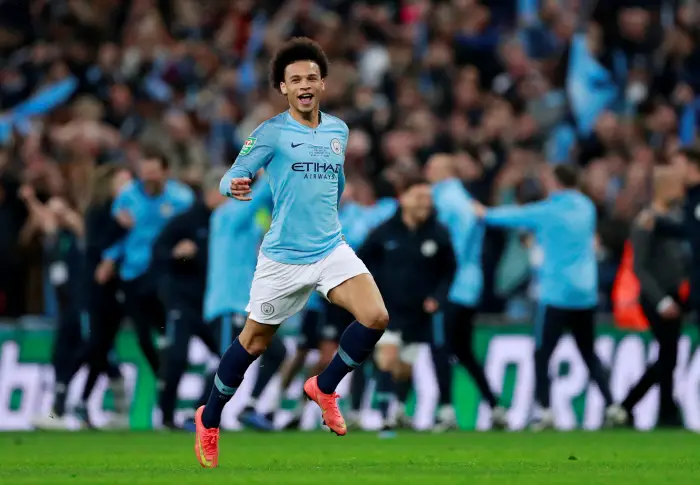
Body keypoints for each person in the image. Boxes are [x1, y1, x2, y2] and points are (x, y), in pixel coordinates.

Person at [194, 37, 389, 468]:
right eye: (295, 79)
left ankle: (324, 386)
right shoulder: (271, 133)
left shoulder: (339, 130)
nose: (304, 84)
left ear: (322, 84)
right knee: (254, 343)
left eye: (311, 77)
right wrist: (235, 185)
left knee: (375, 316)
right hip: (282, 258)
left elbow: (334, 185)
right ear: (283, 87)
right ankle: (209, 418)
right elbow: (231, 175)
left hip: (330, 247)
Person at [474, 164, 626, 430]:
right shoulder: (586, 207)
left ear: (553, 181)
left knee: (542, 354)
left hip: (556, 294)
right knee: (588, 352)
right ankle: (613, 405)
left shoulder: (548, 211)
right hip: (585, 294)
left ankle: (545, 411)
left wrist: (482, 212)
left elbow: (508, 217)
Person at [358, 178, 456, 436]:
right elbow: (360, 263)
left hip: (419, 313)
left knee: (404, 368)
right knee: (387, 358)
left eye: (428, 198)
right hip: (387, 309)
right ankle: (385, 416)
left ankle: (399, 408)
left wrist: (438, 296)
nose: (426, 203)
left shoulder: (438, 233)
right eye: (419, 197)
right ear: (404, 199)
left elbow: (449, 270)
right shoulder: (383, 232)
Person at [198, 172, 287, 431]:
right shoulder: (225, 216)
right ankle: (201, 414)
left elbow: (271, 206)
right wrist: (273, 169)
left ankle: (249, 405)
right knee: (226, 361)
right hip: (227, 304)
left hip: (247, 304)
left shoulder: (250, 222)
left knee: (277, 352)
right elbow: (260, 196)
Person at [426, 154, 507, 431]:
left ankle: (447, 410)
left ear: (444, 171)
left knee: (441, 346)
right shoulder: (465, 200)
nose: (428, 171)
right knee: (463, 350)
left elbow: (448, 245)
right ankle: (495, 406)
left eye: (432, 167)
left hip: (451, 284)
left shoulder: (443, 200)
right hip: (472, 284)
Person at [97, 147, 194, 377]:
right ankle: (159, 374)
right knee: (141, 333)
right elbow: (117, 234)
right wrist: (109, 260)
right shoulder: (127, 197)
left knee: (163, 310)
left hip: (164, 269)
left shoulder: (182, 199)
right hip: (132, 270)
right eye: (145, 172)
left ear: (166, 172)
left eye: (153, 172)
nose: (148, 178)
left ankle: (170, 355)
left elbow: (191, 229)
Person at [152, 169, 228, 430]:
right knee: (176, 357)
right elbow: (159, 253)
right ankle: (165, 416)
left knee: (227, 356)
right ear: (210, 192)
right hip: (182, 302)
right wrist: (176, 254)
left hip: (210, 304)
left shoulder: (226, 223)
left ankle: (200, 409)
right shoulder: (185, 222)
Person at [622, 166, 688, 427]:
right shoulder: (646, 220)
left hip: (673, 295)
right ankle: (630, 405)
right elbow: (639, 266)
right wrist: (660, 299)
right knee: (667, 357)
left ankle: (664, 411)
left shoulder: (673, 219)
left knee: (668, 357)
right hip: (656, 298)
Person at [75, 164, 132, 429]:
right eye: (122, 182)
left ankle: (82, 402)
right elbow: (97, 245)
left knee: (104, 345)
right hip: (97, 288)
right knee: (98, 344)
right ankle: (70, 394)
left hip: (117, 287)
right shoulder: (100, 212)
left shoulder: (127, 211)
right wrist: (118, 226)